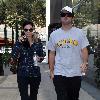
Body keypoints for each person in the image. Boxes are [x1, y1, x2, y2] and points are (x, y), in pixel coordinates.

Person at [48, 6, 89, 100]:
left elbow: (84, 50)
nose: (66, 17)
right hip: (59, 72)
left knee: (73, 98)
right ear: (60, 17)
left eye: (69, 15)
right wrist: (51, 70)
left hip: (75, 72)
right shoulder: (54, 34)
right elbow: (52, 53)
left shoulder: (79, 33)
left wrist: (85, 62)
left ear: (72, 18)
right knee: (62, 97)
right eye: (63, 15)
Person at [10, 20, 44, 100]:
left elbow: (41, 56)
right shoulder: (19, 42)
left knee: (33, 97)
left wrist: (40, 58)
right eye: (26, 30)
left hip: (35, 73)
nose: (28, 31)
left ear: (33, 30)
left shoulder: (38, 42)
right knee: (24, 97)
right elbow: (13, 57)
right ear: (23, 30)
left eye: (30, 29)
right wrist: (18, 43)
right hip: (22, 74)